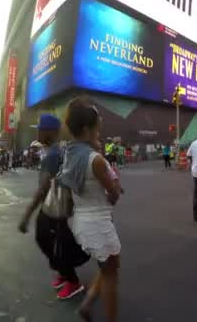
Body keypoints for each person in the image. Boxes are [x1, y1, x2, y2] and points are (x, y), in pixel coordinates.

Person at [58, 98, 122, 322]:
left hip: (81, 221)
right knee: (111, 273)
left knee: (109, 266)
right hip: (97, 223)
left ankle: (87, 304)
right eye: (97, 127)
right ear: (86, 129)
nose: (99, 131)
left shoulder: (70, 153)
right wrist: (116, 185)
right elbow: (113, 195)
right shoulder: (96, 160)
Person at [18, 114, 87, 300]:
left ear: (50, 131)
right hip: (53, 206)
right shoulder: (53, 151)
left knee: (52, 242)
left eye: (40, 129)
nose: (38, 133)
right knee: (56, 242)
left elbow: (43, 188)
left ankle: (72, 281)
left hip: (54, 207)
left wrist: (26, 215)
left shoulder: (54, 154)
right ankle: (65, 272)